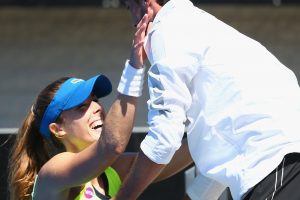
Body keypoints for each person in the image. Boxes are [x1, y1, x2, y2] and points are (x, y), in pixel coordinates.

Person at [116, 0, 300, 200]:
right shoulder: (202, 28)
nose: (133, 21)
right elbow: (228, 150)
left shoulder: (166, 31)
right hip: (283, 165)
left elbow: (164, 138)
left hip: (278, 168)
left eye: (129, 7)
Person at [8, 13, 193, 200]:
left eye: (95, 100)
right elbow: (112, 145)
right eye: (82, 106)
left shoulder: (112, 169)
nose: (97, 108)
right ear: (58, 129)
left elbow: (161, 162)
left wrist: (212, 131)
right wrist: (135, 67)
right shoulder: (54, 170)